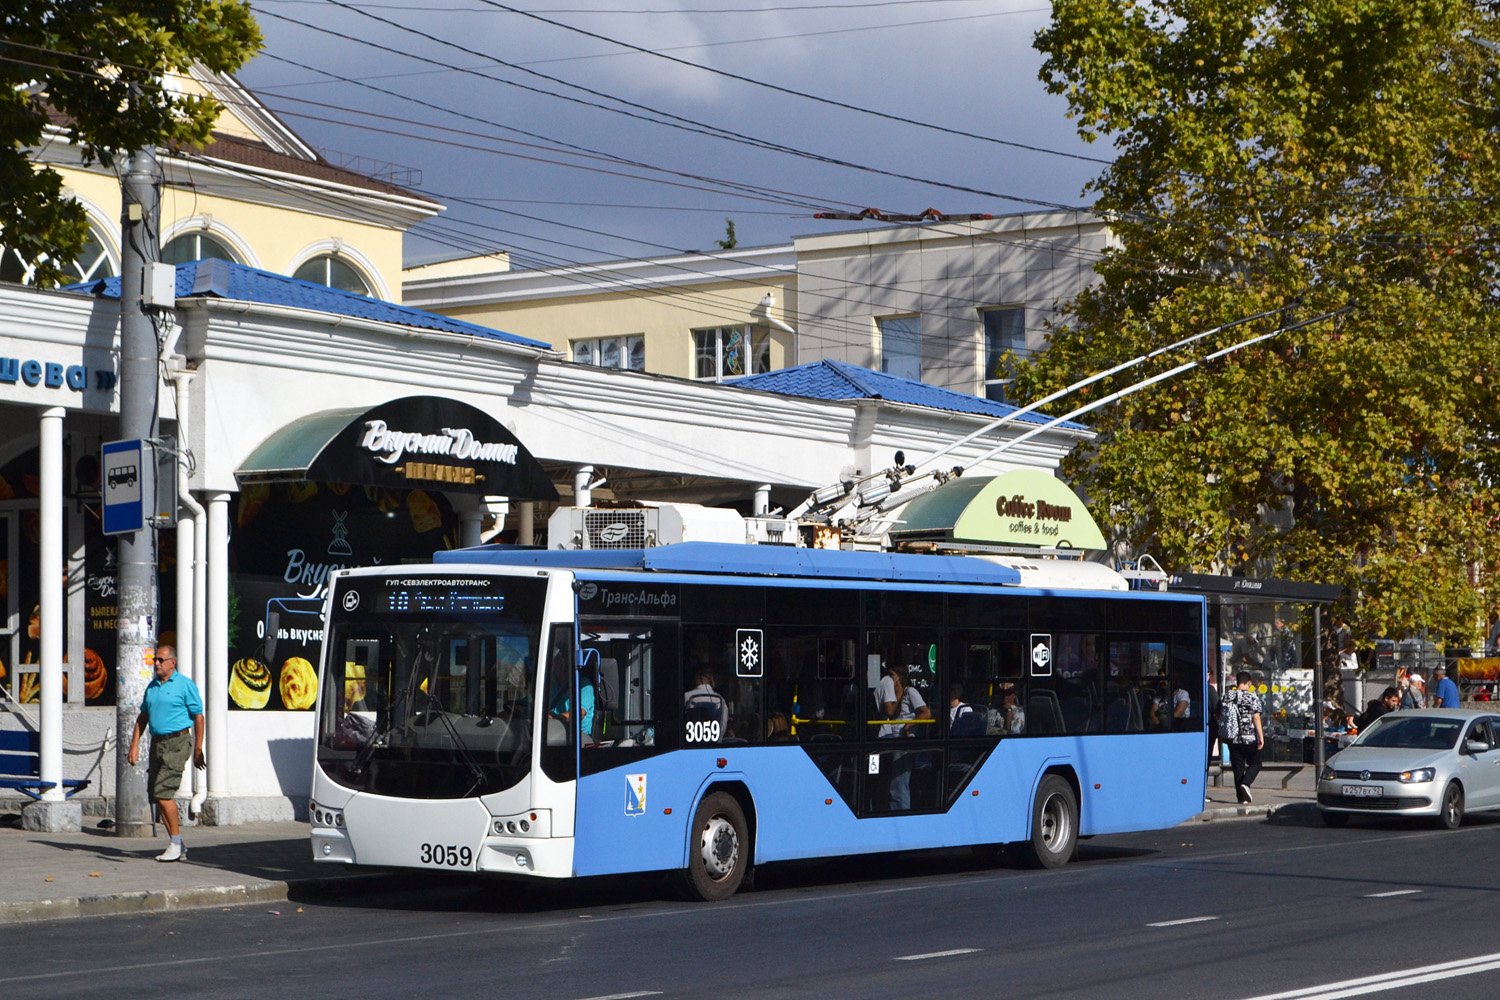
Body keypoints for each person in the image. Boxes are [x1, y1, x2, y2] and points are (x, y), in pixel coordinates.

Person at [126, 645, 205, 862]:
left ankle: (175, 842)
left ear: (173, 662)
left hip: (177, 742)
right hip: (157, 743)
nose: (157, 663)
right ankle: (177, 844)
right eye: (155, 660)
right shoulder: (152, 687)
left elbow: (198, 716)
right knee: (157, 795)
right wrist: (134, 745)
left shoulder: (184, 685)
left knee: (163, 793)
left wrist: (198, 748)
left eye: (161, 659)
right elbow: (143, 717)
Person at [875, 663, 930, 809]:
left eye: (891, 675)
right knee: (886, 781)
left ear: (900, 677)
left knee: (898, 784)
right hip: (889, 740)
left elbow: (926, 712)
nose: (888, 679)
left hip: (903, 742)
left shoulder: (910, 691)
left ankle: (901, 813)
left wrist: (909, 725)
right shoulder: (890, 694)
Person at [1222, 671, 1264, 804]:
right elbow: (1256, 717)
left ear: (1237, 682)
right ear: (1249, 682)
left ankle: (1241, 798)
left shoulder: (1227, 696)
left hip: (1232, 738)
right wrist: (1261, 737)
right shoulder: (1252, 697)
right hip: (1249, 737)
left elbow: (1219, 714)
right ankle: (1246, 783)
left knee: (1238, 767)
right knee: (1256, 763)